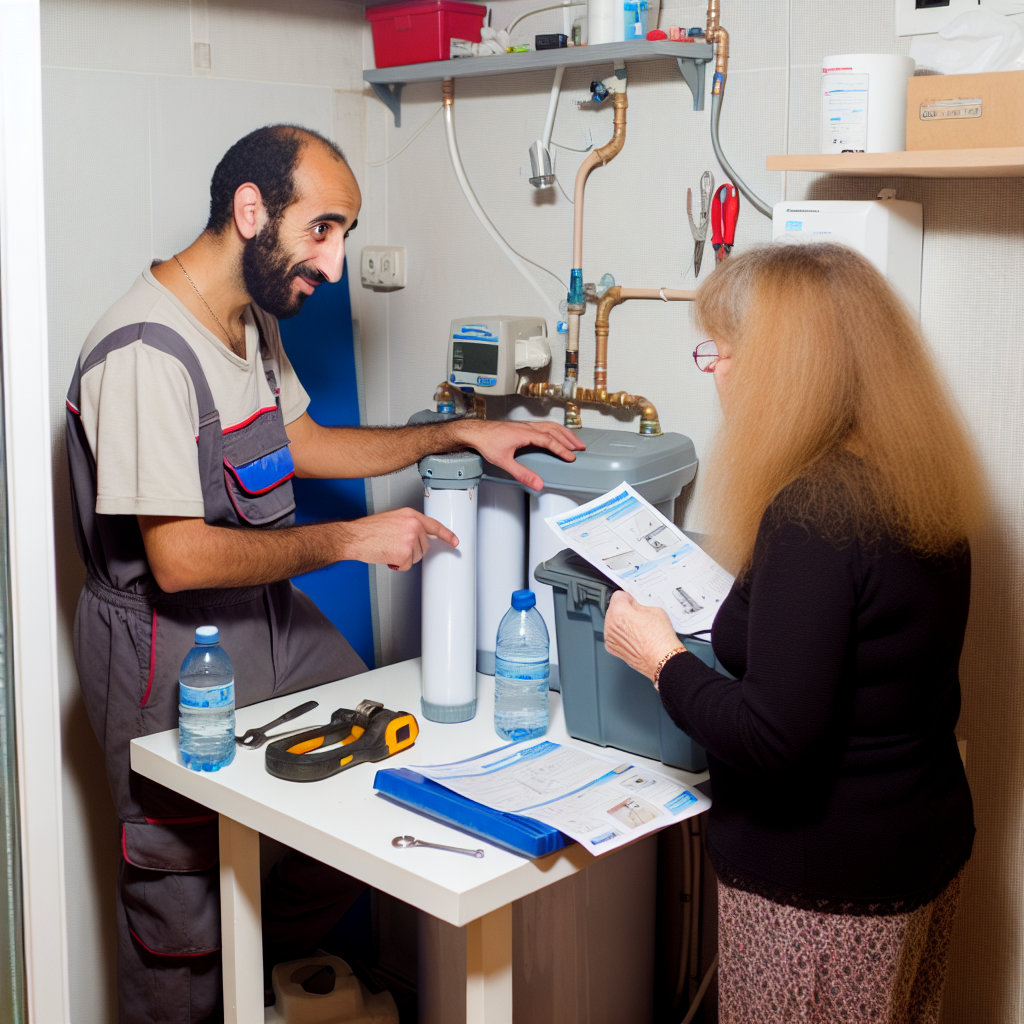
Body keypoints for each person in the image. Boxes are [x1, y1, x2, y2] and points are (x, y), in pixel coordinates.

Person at [65, 123, 584, 1024]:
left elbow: (304, 444)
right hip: (163, 643)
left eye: (343, 234)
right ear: (251, 210)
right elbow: (179, 559)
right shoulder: (147, 350)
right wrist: (351, 541)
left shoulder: (250, 319)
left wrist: (458, 432)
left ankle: (257, 983)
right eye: (325, 230)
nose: (336, 264)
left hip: (261, 613)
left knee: (377, 765)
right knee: (178, 901)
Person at [604, 243, 986, 1024]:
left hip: (825, 891)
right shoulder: (919, 474)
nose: (712, 370)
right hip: (918, 848)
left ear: (788, 369)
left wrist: (662, 659)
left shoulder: (816, 513)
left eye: (725, 351)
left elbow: (775, 737)